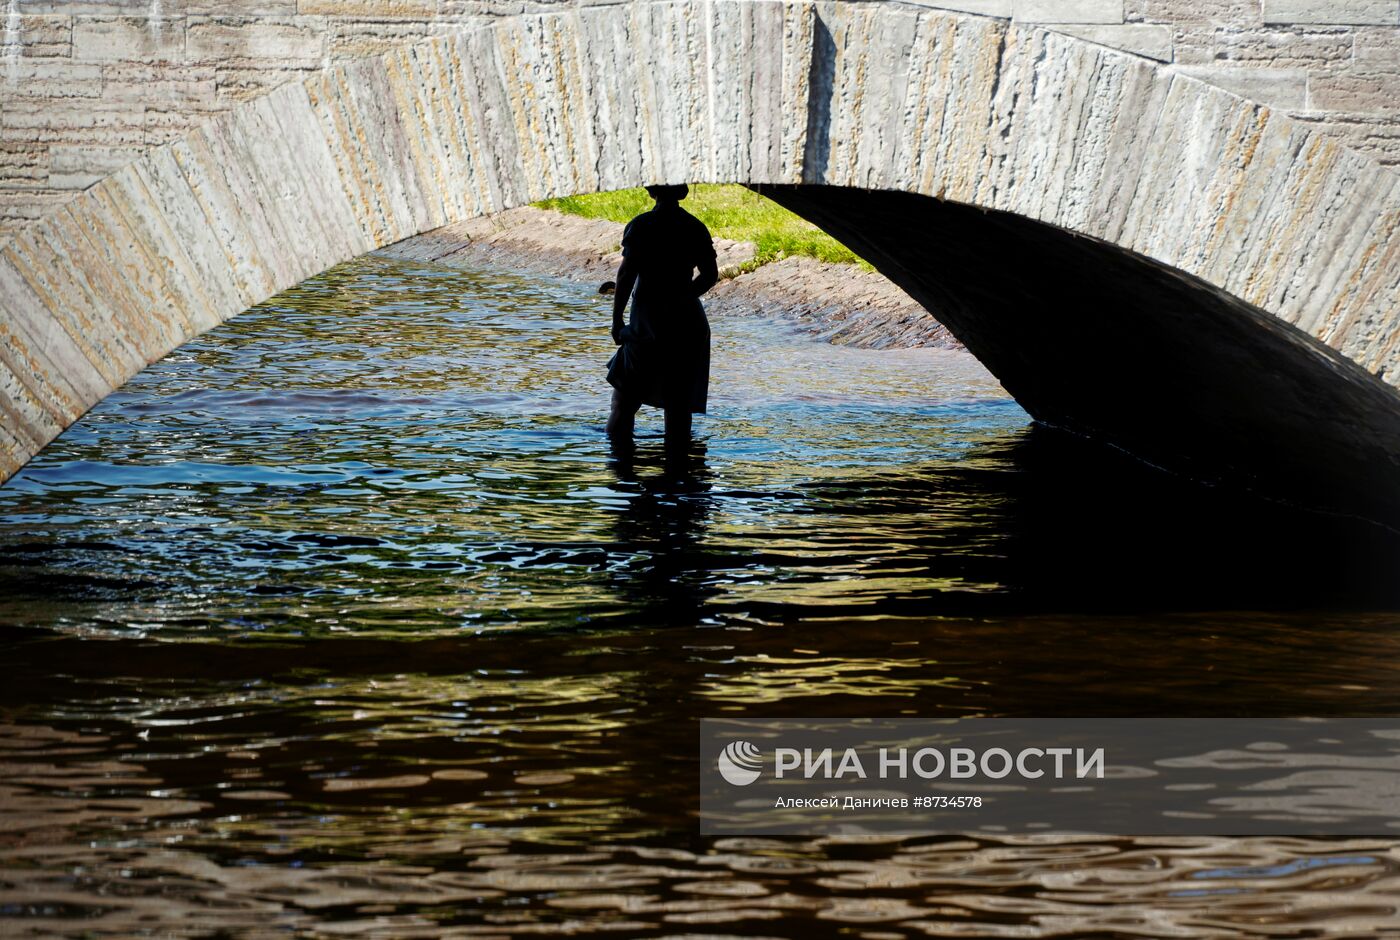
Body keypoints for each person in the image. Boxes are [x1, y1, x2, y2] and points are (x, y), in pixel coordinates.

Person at [605, 183, 719, 448]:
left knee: (624, 401)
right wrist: (683, 297)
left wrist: (616, 319)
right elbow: (710, 275)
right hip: (687, 323)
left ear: (651, 191)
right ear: (683, 191)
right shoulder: (695, 227)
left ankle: (622, 472)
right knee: (678, 405)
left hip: (648, 318)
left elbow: (626, 275)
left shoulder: (641, 225)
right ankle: (677, 474)